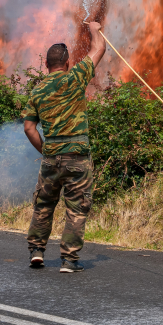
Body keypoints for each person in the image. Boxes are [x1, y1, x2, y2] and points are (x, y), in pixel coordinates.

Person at [22, 21, 106, 273]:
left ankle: (37, 251)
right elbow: (99, 48)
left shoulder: (37, 92)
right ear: (67, 63)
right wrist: (94, 28)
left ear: (46, 65)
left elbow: (28, 128)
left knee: (44, 205)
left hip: (51, 158)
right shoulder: (75, 77)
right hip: (77, 158)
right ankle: (69, 260)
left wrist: (46, 150)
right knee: (77, 209)